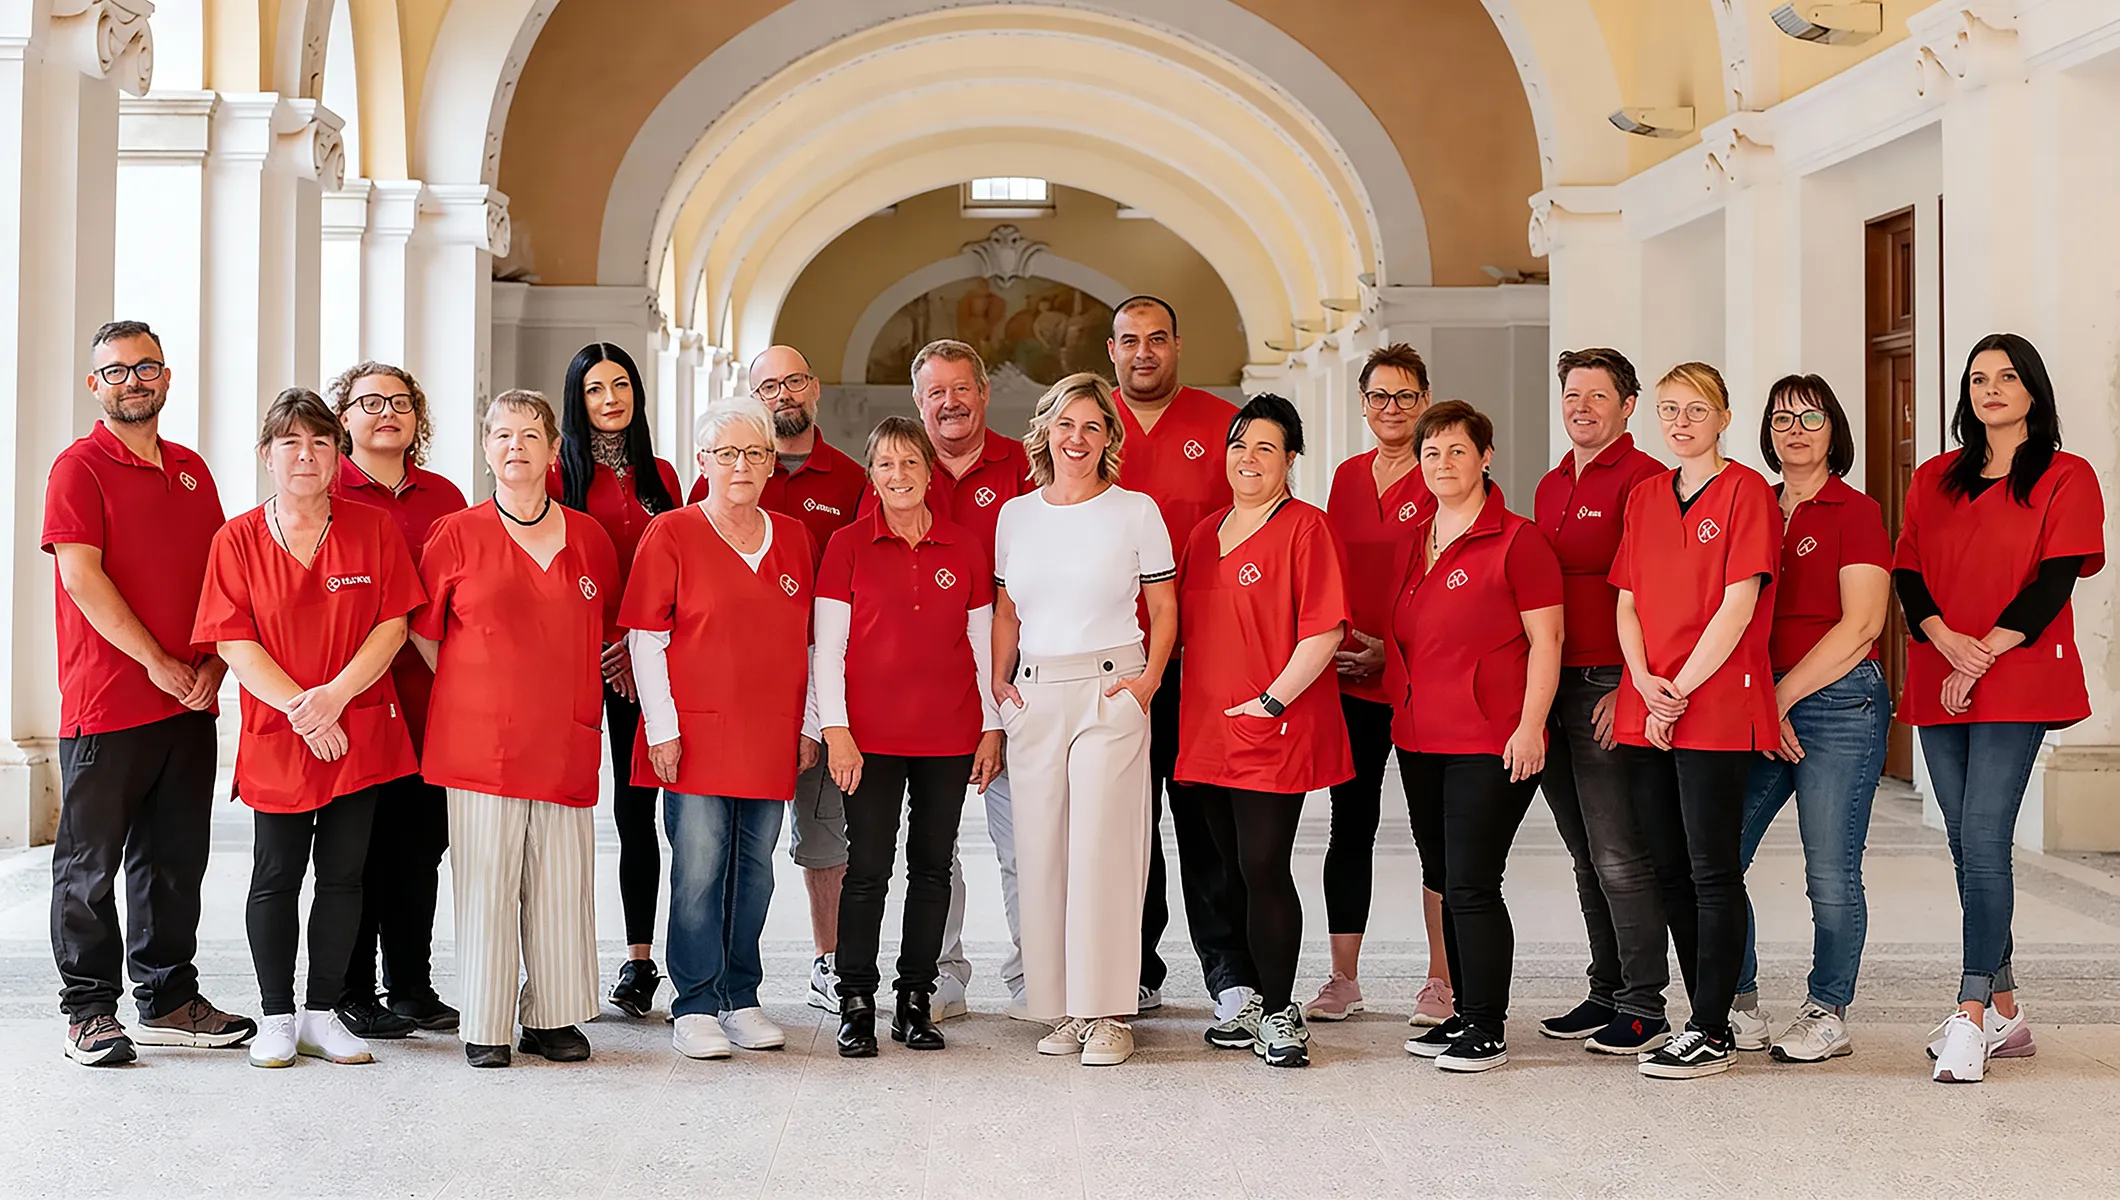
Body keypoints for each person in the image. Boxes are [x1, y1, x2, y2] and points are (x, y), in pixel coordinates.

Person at [193, 388, 424, 1069]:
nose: (306, 455)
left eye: (320, 442)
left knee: (345, 876)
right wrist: (305, 709)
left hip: (357, 726)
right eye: (290, 442)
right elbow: (234, 642)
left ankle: (323, 1015)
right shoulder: (236, 539)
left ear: (337, 454)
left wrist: (336, 698)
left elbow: (393, 625)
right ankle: (277, 1016)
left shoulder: (372, 529)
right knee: (276, 874)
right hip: (282, 732)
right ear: (266, 455)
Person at [43, 320, 254, 1066]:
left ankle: (167, 1000)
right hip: (107, 702)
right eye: (117, 370)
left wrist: (214, 666)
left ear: (166, 377)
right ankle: (89, 1013)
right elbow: (81, 576)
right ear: (94, 384)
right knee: (89, 867)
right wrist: (156, 663)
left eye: (146, 367)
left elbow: (221, 577)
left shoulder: (192, 469)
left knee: (173, 862)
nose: (133, 380)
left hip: (189, 700)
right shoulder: (78, 468)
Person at [1896, 334, 2104, 1083]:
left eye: (2007, 377)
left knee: (1983, 839)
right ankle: (2008, 1011)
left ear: (2032, 391)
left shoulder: (2066, 476)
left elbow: (2054, 582)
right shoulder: (1934, 478)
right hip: (1941, 668)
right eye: (1978, 378)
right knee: (1966, 844)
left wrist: (1980, 652)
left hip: (2016, 672)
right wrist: (1948, 643)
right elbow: (1908, 573)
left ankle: (1971, 1011)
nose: (1991, 389)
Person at [411, 390, 620, 1068]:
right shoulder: (455, 533)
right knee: (486, 884)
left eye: (531, 435)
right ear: (485, 448)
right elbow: (425, 634)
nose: (516, 447)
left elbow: (606, 630)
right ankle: (486, 1021)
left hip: (563, 737)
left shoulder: (588, 538)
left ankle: (552, 1016)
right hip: (480, 744)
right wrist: (484, 682)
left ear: (555, 449)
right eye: (502, 435)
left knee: (561, 884)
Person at [623, 399, 818, 1061]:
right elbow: (647, 638)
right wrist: (662, 729)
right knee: (700, 871)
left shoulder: (794, 537)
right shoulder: (672, 533)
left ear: (770, 463)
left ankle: (741, 996)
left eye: (754, 453)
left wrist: (810, 724)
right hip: (696, 735)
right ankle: (696, 1003)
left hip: (770, 734)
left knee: (755, 873)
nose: (741, 465)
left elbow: (811, 642)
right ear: (703, 461)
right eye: (727, 453)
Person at [993, 372, 1175, 1067]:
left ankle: (1109, 1013)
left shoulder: (1136, 512)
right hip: (1035, 695)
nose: (1077, 438)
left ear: (1108, 438)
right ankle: (1065, 1007)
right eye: (1065, 424)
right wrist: (1000, 686)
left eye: (1092, 426)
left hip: (1110, 691)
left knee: (1104, 851)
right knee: (1043, 854)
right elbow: (1006, 612)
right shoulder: (1016, 516)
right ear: (1044, 432)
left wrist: (1147, 684)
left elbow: (1164, 608)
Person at [1610, 362, 1780, 1080]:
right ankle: (1700, 1016)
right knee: (1668, 869)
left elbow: (1739, 604)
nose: (1681, 422)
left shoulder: (1747, 493)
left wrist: (1676, 689)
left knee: (1713, 869)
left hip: (1710, 703)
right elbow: (1625, 601)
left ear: (1724, 418)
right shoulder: (1646, 495)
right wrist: (1646, 684)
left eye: (1696, 410)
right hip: (1647, 701)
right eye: (1670, 409)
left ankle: (1713, 1027)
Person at [814, 416, 1003, 1057]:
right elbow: (829, 649)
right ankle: (856, 1000)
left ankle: (915, 998)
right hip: (868, 738)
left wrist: (991, 727)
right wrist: (836, 730)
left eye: (910, 463)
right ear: (872, 475)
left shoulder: (965, 547)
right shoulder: (846, 546)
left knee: (932, 867)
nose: (899, 475)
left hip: (948, 735)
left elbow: (982, 645)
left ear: (929, 471)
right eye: (886, 464)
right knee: (867, 868)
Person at [862, 338, 1038, 1021]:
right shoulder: (896, 470)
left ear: (984, 393)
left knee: (1022, 841)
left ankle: (1034, 975)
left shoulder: (1025, 467)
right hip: (925, 700)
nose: (950, 402)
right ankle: (940, 975)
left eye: (961, 388)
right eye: (935, 391)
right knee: (935, 847)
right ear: (917, 401)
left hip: (1015, 684)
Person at [1386, 401, 1564, 1073]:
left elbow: (1548, 641)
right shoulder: (1415, 540)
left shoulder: (1519, 541)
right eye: (1431, 453)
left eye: (1457, 451)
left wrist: (1530, 725)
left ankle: (1486, 1027)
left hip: (1491, 740)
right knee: (1441, 877)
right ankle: (1463, 1012)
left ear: (1485, 458)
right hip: (1420, 738)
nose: (1443, 464)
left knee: (1472, 883)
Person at [1175, 395, 1352, 1068]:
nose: (1248, 459)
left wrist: (1272, 702)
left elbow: (1324, 630)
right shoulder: (1203, 535)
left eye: (1266, 448)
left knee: (1263, 866)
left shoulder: (1307, 528)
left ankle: (1281, 1013)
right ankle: (1249, 1002)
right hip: (1207, 731)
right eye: (1239, 445)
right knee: (1230, 873)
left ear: (1291, 459)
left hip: (1273, 726)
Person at [1724, 375, 1893, 1064]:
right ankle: (1740, 1004)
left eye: (1811, 417)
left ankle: (1827, 1010)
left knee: (1830, 871)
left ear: (1834, 430)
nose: (1795, 429)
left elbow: (1863, 624)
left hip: (1840, 704)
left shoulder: (1857, 511)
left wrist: (1782, 698)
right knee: (1718, 857)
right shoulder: (1753, 507)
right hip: (1760, 702)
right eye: (1781, 418)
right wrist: (1762, 701)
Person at [693, 346, 863, 1016]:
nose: (784, 393)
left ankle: (827, 962)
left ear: (815, 388)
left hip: (820, 691)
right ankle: (711, 989)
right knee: (726, 851)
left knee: (822, 838)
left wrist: (825, 715)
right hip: (734, 707)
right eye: (769, 385)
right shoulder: (714, 485)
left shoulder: (850, 480)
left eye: (794, 381)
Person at [1105, 294, 1248, 1024]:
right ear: (1111, 350)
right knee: (1129, 824)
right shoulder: (1090, 424)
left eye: (1156, 338)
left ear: (1178, 345)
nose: (1144, 353)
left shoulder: (1224, 426)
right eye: (1130, 340)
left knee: (1206, 823)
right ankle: (1134, 966)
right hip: (1115, 665)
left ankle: (1228, 972)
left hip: (1202, 663)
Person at [1529, 348, 1673, 1054]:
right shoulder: (1552, 482)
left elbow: (1657, 590)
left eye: (1597, 396)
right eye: (1572, 395)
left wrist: (1628, 684)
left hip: (1607, 684)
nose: (1581, 407)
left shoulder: (1646, 480)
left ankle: (1644, 1004)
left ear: (1627, 406)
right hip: (1553, 681)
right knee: (1584, 851)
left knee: (1619, 851)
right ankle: (1606, 990)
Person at [1310, 343, 1451, 1026]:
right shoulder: (1345, 478)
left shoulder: (1445, 474)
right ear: (1363, 404)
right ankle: (1343, 979)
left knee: (1435, 833)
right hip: (1349, 683)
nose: (1391, 408)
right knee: (1350, 827)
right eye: (1379, 396)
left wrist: (1389, 657)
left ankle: (1441, 980)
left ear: (1425, 401)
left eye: (1405, 396)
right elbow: (1329, 572)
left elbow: (1458, 587)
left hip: (1422, 681)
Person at [328, 361, 467, 1040]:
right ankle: (350, 990)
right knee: (355, 854)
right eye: (370, 402)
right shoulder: (326, 489)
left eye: (401, 402)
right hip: (355, 702)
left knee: (418, 851)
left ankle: (411, 985)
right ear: (343, 417)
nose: (388, 412)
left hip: (430, 703)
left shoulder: (444, 497)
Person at [551, 342, 681, 1018]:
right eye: (596, 388)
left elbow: (681, 570)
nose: (611, 399)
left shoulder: (662, 476)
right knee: (565, 811)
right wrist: (605, 645)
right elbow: (550, 574)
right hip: (577, 663)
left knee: (638, 816)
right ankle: (561, 960)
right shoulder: (557, 475)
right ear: (578, 399)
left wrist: (634, 647)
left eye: (621, 385)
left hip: (645, 663)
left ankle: (639, 961)